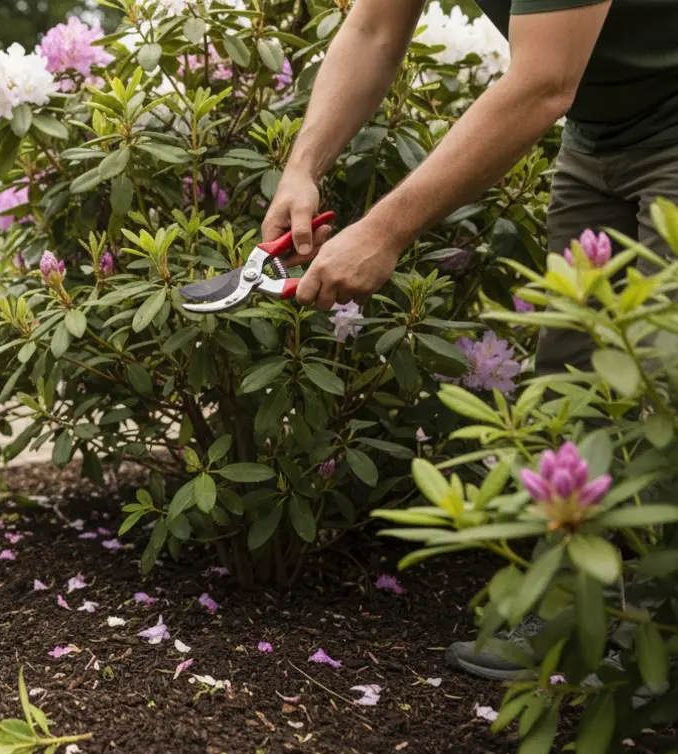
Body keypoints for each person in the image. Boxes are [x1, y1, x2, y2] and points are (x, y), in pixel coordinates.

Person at [268, 0, 678, 680]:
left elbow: (544, 84)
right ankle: (573, 616)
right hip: (601, 137)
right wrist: (302, 166)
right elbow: (373, 27)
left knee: (667, 382)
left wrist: (384, 230)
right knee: (568, 384)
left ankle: (662, 651)